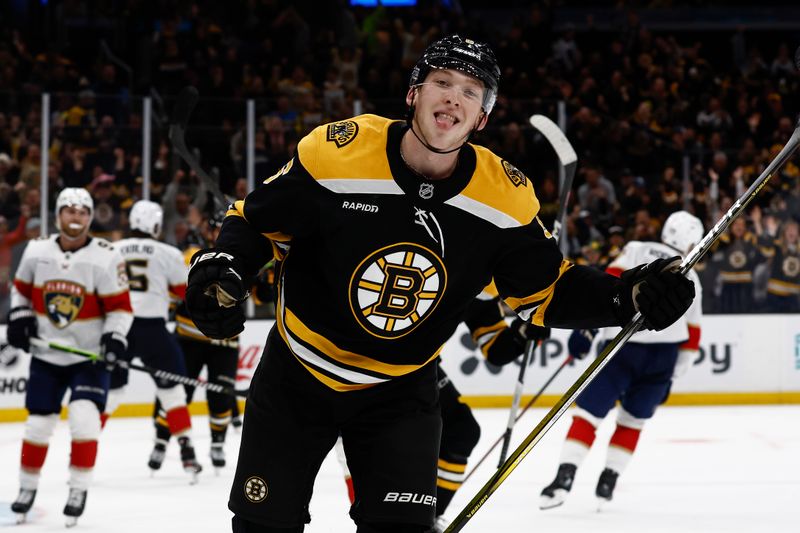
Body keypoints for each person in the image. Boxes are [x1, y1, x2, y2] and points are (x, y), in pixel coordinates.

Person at [185, 35, 695, 533]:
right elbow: (255, 221)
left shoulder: (506, 199)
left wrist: (624, 295)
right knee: (263, 525)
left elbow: (546, 292)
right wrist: (226, 264)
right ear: (413, 94)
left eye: (471, 92)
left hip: (400, 394)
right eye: (442, 81)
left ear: (482, 118)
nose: (454, 96)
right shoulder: (337, 152)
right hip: (297, 376)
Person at [539, 210, 704, 510]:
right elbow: (692, 337)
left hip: (622, 349)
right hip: (662, 359)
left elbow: (605, 290)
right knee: (633, 420)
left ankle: (564, 477)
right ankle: (608, 480)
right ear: (692, 242)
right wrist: (674, 375)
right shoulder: (692, 275)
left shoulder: (637, 248)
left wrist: (588, 330)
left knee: (588, 414)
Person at [7, 187, 133, 526]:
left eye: (82, 211)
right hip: (47, 354)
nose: (75, 216)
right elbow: (20, 293)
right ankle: (27, 487)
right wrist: (19, 317)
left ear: (90, 217)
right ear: (58, 215)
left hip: (88, 358)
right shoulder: (36, 250)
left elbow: (121, 308)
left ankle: (78, 488)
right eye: (69, 210)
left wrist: (114, 337)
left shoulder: (106, 256)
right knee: (37, 425)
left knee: (84, 419)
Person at [104, 199, 202, 479]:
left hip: (118, 327)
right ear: (155, 225)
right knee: (172, 392)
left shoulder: (111, 249)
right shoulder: (168, 252)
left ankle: (86, 444)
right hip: (153, 329)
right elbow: (185, 294)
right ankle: (186, 450)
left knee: (110, 392)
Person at [154, 207, 240, 473]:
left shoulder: (243, 257)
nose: (218, 234)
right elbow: (178, 290)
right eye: (215, 229)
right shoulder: (189, 255)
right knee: (180, 392)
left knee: (221, 395)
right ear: (207, 230)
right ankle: (160, 439)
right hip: (189, 339)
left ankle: (217, 443)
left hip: (224, 341)